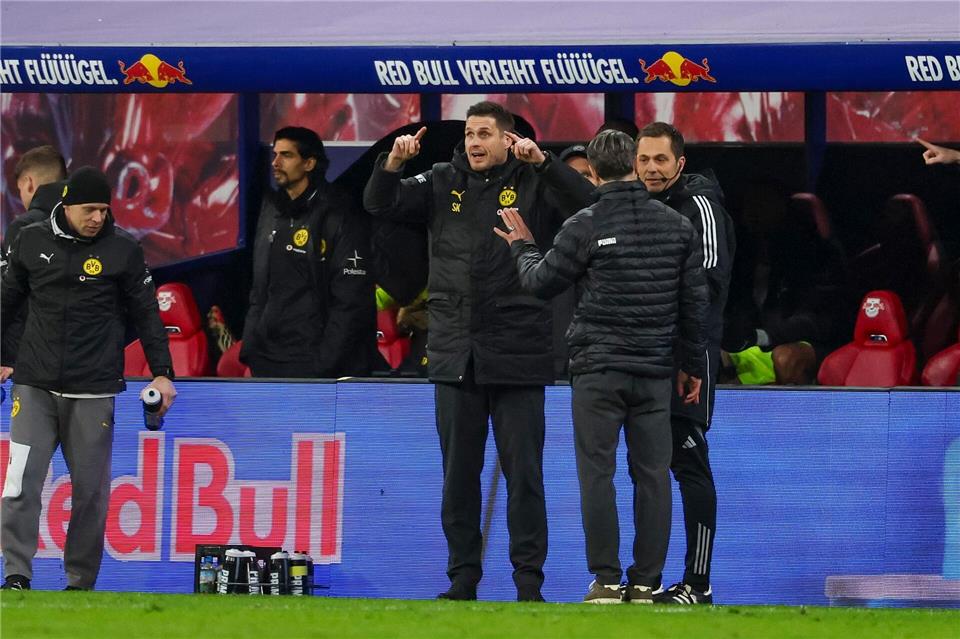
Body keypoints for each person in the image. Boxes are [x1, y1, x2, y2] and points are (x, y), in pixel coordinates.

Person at [364, 101, 594, 602]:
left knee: (525, 477)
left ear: (507, 139)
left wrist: (545, 162)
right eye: (469, 132)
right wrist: (394, 164)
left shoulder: (534, 180)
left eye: (484, 133)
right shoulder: (442, 179)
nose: (473, 141)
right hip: (453, 351)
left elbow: (587, 207)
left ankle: (528, 583)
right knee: (458, 477)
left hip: (518, 350)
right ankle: (463, 578)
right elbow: (379, 204)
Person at [495, 129, 708, 604]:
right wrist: (691, 364)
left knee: (598, 474)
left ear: (591, 170)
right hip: (654, 371)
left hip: (597, 371)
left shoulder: (584, 225)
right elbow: (696, 304)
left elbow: (538, 283)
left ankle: (607, 581)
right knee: (653, 475)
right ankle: (647, 582)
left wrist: (522, 245)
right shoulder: (677, 226)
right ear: (634, 163)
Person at [0, 167, 175, 591]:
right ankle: (16, 575)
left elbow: (147, 314)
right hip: (35, 384)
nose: (97, 217)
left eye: (103, 209)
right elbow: (7, 302)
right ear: (67, 205)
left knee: (91, 494)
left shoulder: (123, 251)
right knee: (20, 482)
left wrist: (163, 373)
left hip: (94, 388)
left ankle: (80, 582)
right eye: (89, 209)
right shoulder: (31, 239)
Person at [635, 122, 735, 603]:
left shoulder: (701, 205)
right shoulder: (641, 206)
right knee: (654, 466)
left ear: (680, 163)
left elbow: (709, 286)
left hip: (686, 356)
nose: (651, 168)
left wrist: (689, 355)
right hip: (645, 353)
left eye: (660, 160)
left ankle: (698, 584)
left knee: (689, 460)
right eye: (644, 160)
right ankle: (646, 578)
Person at [240, 126, 375, 378]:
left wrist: (324, 363)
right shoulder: (271, 208)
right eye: (275, 154)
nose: (276, 162)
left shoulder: (339, 212)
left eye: (286, 155)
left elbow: (350, 300)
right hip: (267, 356)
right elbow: (259, 286)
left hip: (313, 361)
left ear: (309, 163)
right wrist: (250, 346)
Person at [2, 146, 69, 361]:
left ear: (29, 183)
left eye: (20, 190)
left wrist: (11, 360)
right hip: (85, 359)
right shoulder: (93, 224)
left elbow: (14, 299)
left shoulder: (24, 228)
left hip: (31, 361)